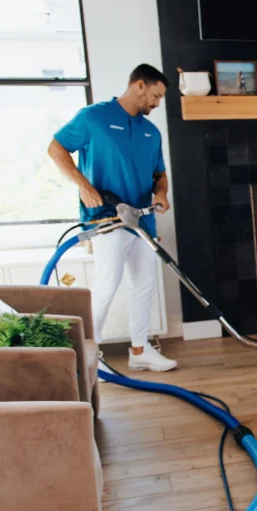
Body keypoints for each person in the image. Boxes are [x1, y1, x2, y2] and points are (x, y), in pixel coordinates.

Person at [48, 63, 177, 372]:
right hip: (106, 218)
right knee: (107, 284)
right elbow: (56, 148)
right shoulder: (95, 117)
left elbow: (159, 174)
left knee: (144, 284)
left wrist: (162, 194)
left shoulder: (150, 131)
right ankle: (91, 356)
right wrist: (83, 186)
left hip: (142, 222)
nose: (157, 104)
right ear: (140, 85)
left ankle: (140, 350)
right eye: (156, 96)